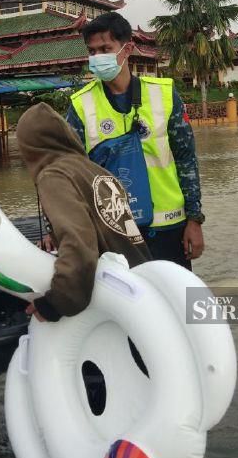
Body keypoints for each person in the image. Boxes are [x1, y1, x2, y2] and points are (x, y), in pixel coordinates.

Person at [63, 11, 205, 270]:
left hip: (169, 226)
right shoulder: (80, 105)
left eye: (105, 49)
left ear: (126, 49)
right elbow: (68, 174)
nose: (97, 58)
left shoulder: (164, 94)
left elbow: (186, 159)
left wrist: (194, 219)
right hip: (114, 234)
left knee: (176, 304)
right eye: (92, 51)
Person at [16, 102, 151, 322]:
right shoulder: (94, 169)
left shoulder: (53, 176)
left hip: (119, 302)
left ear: (30, 148)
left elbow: (79, 243)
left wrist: (56, 303)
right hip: (144, 283)